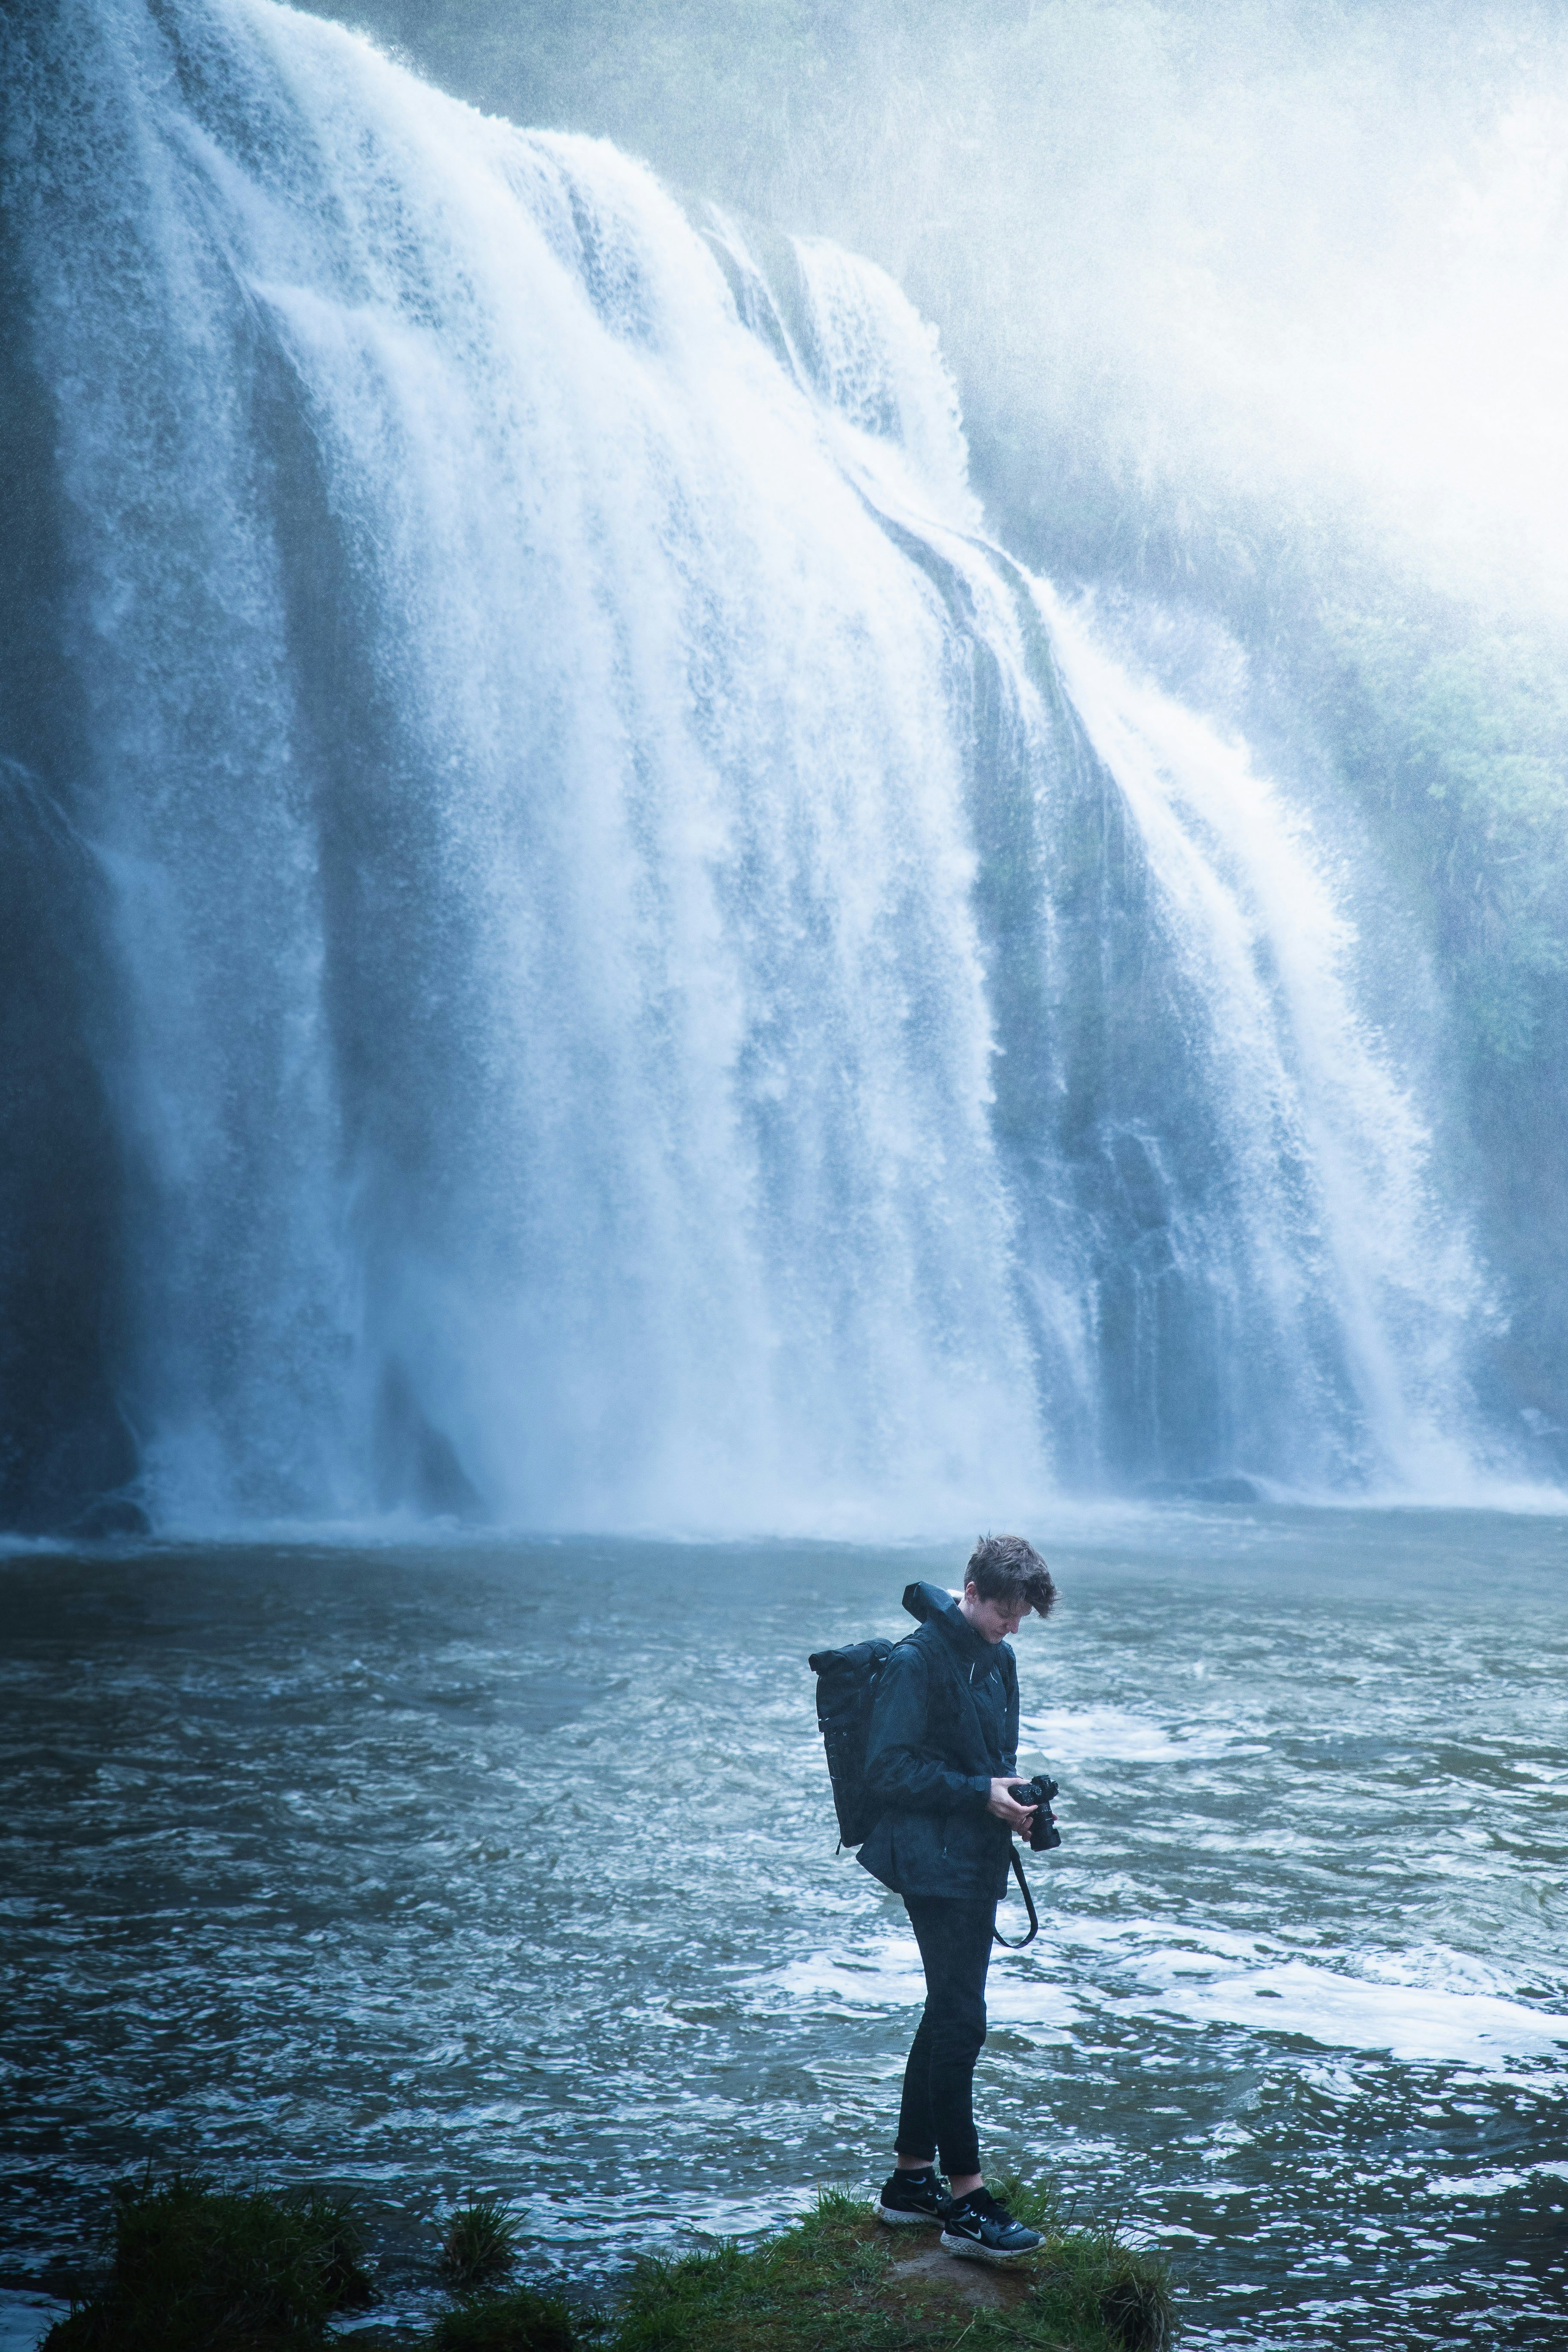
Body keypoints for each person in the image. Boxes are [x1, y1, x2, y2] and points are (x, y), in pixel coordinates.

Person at [856, 1533, 1057, 2263]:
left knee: (945, 2013)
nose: (1013, 1625)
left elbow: (987, 1763)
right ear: (971, 1591)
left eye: (1021, 1615)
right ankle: (966, 2201)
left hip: (973, 1857)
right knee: (962, 2021)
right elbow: (888, 1770)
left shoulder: (997, 1657)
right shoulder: (917, 1661)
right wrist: (983, 1795)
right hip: (928, 1863)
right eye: (1004, 1610)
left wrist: (1014, 1800)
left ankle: (911, 2183)